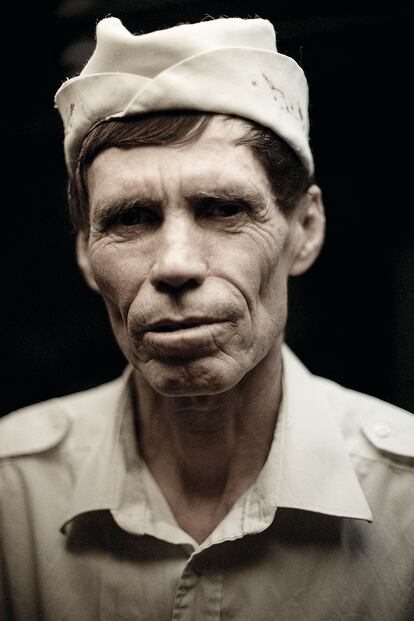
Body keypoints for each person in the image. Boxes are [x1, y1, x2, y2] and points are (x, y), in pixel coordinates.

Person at [1, 16, 413, 621]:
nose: (175, 264)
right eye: (131, 219)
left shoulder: (404, 497)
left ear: (306, 228)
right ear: (86, 253)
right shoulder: (13, 492)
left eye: (222, 209)